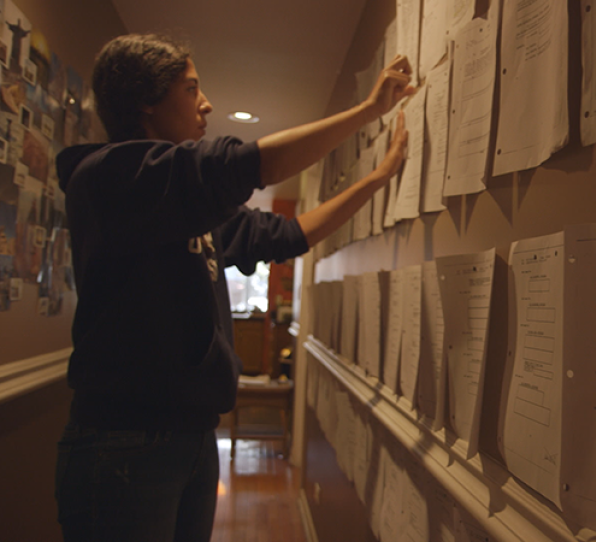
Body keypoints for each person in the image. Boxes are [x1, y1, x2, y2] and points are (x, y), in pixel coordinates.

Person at [54, 34, 413, 542]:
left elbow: (288, 234)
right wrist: (370, 110)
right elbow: (241, 167)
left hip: (192, 436)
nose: (206, 103)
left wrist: (378, 179)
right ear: (146, 103)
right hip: (125, 442)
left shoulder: (180, 202)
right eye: (190, 88)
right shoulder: (112, 177)